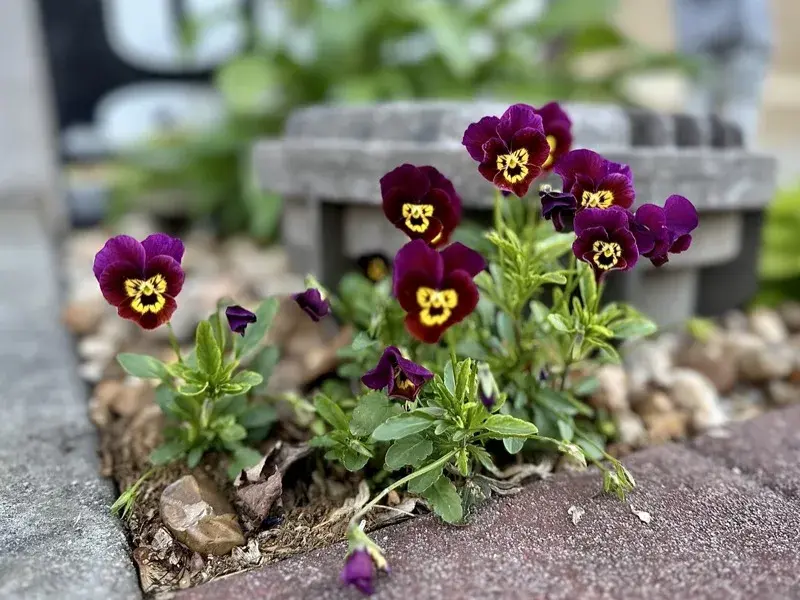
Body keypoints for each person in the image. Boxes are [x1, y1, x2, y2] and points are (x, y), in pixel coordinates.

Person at [673, 0, 773, 146]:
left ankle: (736, 158)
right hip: (737, 44)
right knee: (737, 108)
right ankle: (740, 159)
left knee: (734, 109)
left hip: (729, 46)